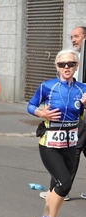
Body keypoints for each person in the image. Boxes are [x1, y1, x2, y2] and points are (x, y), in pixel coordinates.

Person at [27, 48, 86, 217]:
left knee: (55, 185)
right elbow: (31, 105)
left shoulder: (83, 89)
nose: (66, 67)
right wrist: (41, 113)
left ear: (76, 66)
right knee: (65, 184)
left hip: (70, 143)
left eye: (70, 64)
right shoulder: (47, 86)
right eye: (62, 64)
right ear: (57, 66)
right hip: (50, 143)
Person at [39, 26, 86, 201]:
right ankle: (60, 187)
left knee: (72, 150)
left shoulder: (81, 58)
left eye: (77, 36)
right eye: (71, 36)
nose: (73, 40)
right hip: (77, 112)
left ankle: (61, 189)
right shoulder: (74, 56)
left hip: (78, 114)